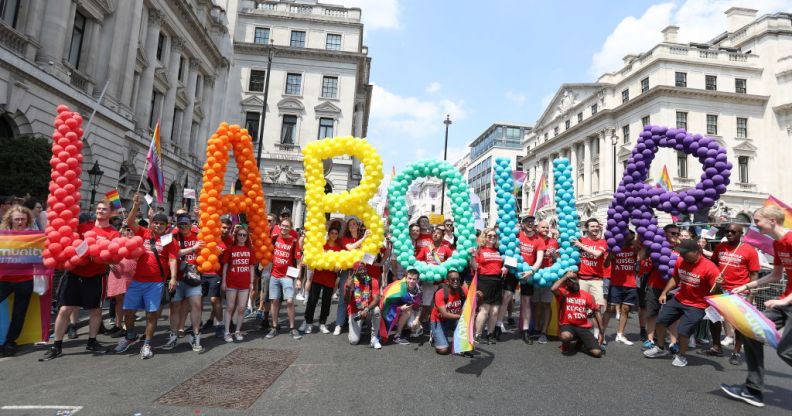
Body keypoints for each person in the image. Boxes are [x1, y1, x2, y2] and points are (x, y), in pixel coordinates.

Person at [720, 206, 792, 408]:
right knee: (751, 331)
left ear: (772, 220)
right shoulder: (778, 244)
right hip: (786, 302)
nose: (754, 224)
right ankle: (753, 390)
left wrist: (784, 301)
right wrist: (744, 286)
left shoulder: (791, 240)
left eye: (757, 220)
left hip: (787, 302)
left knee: (786, 351)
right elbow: (776, 275)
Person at [40, 201, 120, 361]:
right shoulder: (84, 227)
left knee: (96, 310)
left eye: (104, 209)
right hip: (74, 274)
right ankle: (57, 345)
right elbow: (69, 242)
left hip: (96, 277)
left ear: (111, 213)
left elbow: (113, 257)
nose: (100, 211)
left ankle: (92, 341)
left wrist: (98, 256)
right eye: (98, 208)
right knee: (64, 310)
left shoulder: (113, 233)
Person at [114, 194, 178, 359]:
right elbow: (128, 223)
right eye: (156, 222)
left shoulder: (168, 239)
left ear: (166, 226)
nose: (158, 225)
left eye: (161, 223)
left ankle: (147, 344)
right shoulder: (144, 233)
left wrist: (173, 278)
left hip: (155, 283)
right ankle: (130, 337)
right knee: (128, 311)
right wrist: (135, 206)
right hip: (137, 281)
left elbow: (172, 259)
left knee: (151, 314)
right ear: (151, 223)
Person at [644, 239, 719, 367]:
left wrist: (719, 284)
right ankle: (660, 348)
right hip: (680, 298)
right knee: (661, 322)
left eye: (685, 253)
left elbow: (715, 292)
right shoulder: (680, 261)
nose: (682, 255)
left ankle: (682, 356)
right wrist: (664, 293)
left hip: (698, 305)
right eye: (681, 253)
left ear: (696, 252)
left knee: (683, 331)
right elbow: (676, 278)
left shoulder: (710, 268)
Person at [707, 223, 759, 364]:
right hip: (720, 290)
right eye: (727, 231)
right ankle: (716, 346)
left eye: (733, 232)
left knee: (739, 324)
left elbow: (754, 274)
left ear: (741, 233)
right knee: (713, 318)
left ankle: (736, 351)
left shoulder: (749, 250)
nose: (729, 234)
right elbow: (713, 265)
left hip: (739, 291)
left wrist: (750, 295)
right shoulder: (720, 247)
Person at [162, 214, 204, 352]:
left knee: (196, 306)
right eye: (180, 225)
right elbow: (172, 253)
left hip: (193, 277)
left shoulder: (199, 234)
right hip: (177, 278)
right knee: (175, 307)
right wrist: (193, 248)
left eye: (186, 224)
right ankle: (173, 335)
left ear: (191, 224)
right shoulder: (172, 235)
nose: (183, 227)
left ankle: (196, 335)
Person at [0, 206, 36, 357]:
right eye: (17, 219)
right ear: (10, 219)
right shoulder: (2, 235)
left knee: (19, 313)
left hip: (25, 280)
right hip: (3, 279)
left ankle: (10, 343)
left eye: (23, 218)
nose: (20, 221)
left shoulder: (34, 236)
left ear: (27, 219)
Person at [641, 224, 681, 350]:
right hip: (655, 285)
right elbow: (640, 257)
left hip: (674, 287)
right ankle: (650, 340)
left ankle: (674, 342)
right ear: (665, 233)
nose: (675, 236)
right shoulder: (656, 246)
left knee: (673, 316)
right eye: (672, 233)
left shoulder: (680, 250)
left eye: (677, 234)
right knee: (652, 313)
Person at [551, 271, 604, 357]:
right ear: (566, 283)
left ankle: (580, 343)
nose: (574, 282)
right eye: (570, 280)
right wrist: (565, 277)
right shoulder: (563, 293)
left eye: (575, 279)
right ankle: (566, 345)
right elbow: (553, 289)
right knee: (565, 336)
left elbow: (596, 312)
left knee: (597, 353)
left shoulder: (587, 295)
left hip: (582, 327)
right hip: (567, 325)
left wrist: (602, 332)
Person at [301, 226, 342, 334]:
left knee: (326, 302)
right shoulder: (321, 245)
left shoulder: (338, 248)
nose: (333, 235)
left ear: (337, 235)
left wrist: (338, 267)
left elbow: (339, 263)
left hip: (329, 278)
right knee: (312, 301)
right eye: (332, 233)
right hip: (318, 277)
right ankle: (308, 323)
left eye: (335, 233)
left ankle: (322, 323)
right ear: (328, 234)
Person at [267, 218, 302, 340]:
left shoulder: (293, 241)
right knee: (274, 301)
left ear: (290, 228)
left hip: (287, 276)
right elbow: (267, 252)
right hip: (274, 275)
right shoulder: (275, 238)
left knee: (290, 301)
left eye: (287, 226)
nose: (284, 228)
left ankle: (292, 328)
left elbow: (298, 261)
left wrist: (298, 279)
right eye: (282, 225)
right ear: (279, 226)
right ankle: (274, 326)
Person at [573, 218, 608, 340]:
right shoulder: (581, 240)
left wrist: (581, 246)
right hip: (581, 279)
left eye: (597, 226)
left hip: (596, 280)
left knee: (597, 309)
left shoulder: (603, 242)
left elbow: (597, 254)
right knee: (581, 308)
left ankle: (598, 334)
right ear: (586, 228)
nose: (595, 228)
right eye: (592, 226)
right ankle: (581, 334)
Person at [603, 229, 639, 345]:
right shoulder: (615, 248)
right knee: (610, 309)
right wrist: (610, 255)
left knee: (626, 309)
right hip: (616, 283)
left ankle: (620, 335)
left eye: (631, 237)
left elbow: (642, 253)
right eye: (628, 236)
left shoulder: (634, 249)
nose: (630, 238)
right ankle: (601, 334)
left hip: (631, 283)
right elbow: (606, 264)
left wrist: (635, 243)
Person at [334, 217, 369, 335]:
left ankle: (358, 321)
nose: (353, 226)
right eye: (350, 225)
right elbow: (350, 247)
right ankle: (339, 324)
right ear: (348, 228)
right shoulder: (345, 238)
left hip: (360, 271)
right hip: (347, 271)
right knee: (344, 296)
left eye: (354, 224)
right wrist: (364, 238)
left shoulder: (363, 238)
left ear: (358, 226)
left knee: (359, 297)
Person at [471, 228, 507, 344]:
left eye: (494, 236)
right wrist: (472, 256)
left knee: (495, 311)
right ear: (484, 237)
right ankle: (477, 334)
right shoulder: (480, 250)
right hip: (484, 281)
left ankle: (490, 334)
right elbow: (475, 266)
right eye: (489, 235)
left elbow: (504, 263)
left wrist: (504, 267)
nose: (492, 237)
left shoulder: (498, 250)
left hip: (497, 281)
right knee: (485, 310)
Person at [512, 216, 544, 343]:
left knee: (526, 301)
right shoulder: (517, 235)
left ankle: (526, 331)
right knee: (507, 297)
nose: (530, 224)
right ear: (523, 224)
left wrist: (531, 271)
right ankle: (496, 327)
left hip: (528, 272)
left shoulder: (538, 240)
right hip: (513, 269)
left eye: (532, 222)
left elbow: (539, 259)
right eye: (527, 222)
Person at [221, 226, 254, 342]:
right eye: (240, 234)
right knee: (230, 307)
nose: (242, 237)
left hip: (245, 284)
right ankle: (226, 332)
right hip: (231, 283)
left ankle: (238, 331)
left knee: (241, 309)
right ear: (236, 236)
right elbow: (225, 266)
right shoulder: (230, 249)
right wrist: (224, 281)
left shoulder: (250, 250)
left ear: (247, 237)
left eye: (244, 235)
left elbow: (251, 267)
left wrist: (251, 282)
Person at [201, 216, 232, 337]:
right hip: (203, 272)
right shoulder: (210, 236)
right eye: (224, 227)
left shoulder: (230, 241)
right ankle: (198, 324)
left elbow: (228, 261)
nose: (226, 230)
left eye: (228, 228)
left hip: (217, 275)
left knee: (215, 299)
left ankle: (220, 324)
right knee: (198, 301)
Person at [416, 226, 454, 324]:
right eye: (433, 233)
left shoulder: (446, 249)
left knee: (439, 303)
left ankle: (434, 322)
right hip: (427, 281)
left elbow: (452, 262)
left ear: (442, 236)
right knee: (426, 303)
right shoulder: (426, 248)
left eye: (438, 233)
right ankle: (426, 320)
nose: (435, 234)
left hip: (441, 281)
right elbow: (418, 261)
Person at [106, 226, 137, 337]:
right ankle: (118, 325)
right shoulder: (117, 241)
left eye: (130, 229)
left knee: (127, 301)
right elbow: (108, 253)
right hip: (116, 273)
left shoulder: (137, 241)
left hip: (130, 274)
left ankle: (126, 326)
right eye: (126, 229)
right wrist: (109, 262)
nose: (128, 231)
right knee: (118, 300)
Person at [345, 262, 382, 348]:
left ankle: (374, 338)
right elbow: (347, 302)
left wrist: (366, 309)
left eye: (364, 269)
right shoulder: (350, 282)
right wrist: (347, 289)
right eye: (360, 269)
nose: (363, 272)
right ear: (355, 272)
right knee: (353, 341)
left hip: (368, 310)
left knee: (376, 310)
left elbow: (376, 299)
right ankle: (358, 326)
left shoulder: (372, 281)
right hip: (355, 312)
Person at [430, 269, 467, 354]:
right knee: (443, 350)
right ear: (447, 282)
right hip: (439, 319)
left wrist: (478, 297)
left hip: (454, 319)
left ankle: (457, 340)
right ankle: (434, 335)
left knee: (462, 347)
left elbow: (475, 298)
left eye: (458, 279)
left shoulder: (463, 291)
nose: (456, 281)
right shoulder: (441, 293)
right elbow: (444, 314)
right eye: (453, 279)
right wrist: (463, 316)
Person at [391, 269, 423, 345]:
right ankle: (397, 335)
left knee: (412, 325)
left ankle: (415, 326)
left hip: (410, 311)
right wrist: (400, 308)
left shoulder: (419, 290)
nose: (411, 281)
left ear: (418, 280)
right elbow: (389, 304)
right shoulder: (398, 287)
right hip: (395, 310)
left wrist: (416, 319)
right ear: (405, 278)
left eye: (414, 279)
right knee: (407, 309)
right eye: (409, 278)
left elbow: (420, 307)